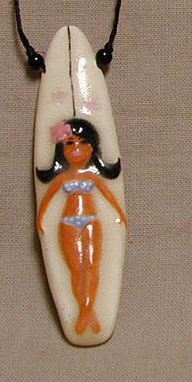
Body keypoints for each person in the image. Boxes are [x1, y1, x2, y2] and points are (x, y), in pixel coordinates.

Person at [36, 118, 127, 335]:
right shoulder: (62, 179)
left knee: (92, 267)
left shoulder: (92, 177)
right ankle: (85, 311)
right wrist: (40, 220)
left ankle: (87, 310)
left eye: (83, 142)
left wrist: (120, 215)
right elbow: (47, 199)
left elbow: (109, 196)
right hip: (68, 224)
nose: (76, 148)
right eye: (70, 143)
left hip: (91, 223)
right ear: (61, 149)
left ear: (92, 147)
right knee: (77, 269)